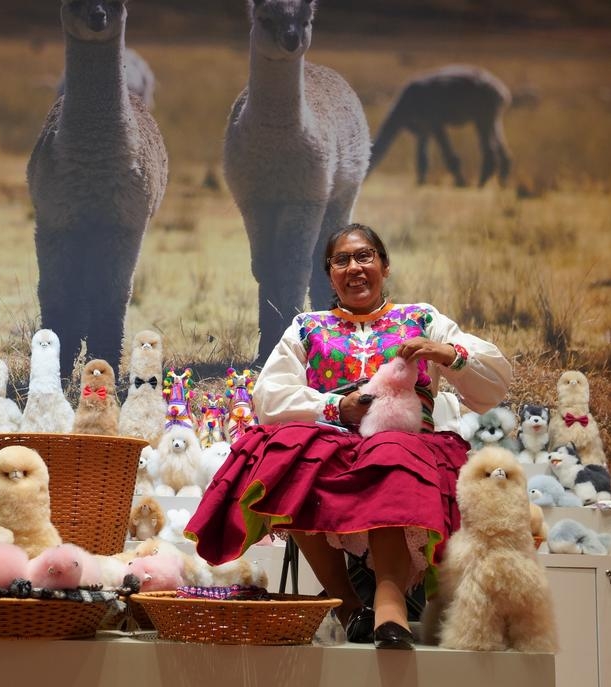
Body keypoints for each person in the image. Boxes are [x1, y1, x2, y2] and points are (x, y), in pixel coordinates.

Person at [185, 223, 511, 650]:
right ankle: (349, 606)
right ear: (329, 274)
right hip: (332, 446)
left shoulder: (422, 318)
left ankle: (390, 609)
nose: (354, 268)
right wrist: (337, 407)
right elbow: (269, 396)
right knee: (287, 452)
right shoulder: (308, 326)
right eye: (342, 260)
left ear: (385, 266)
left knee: (390, 451)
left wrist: (444, 352)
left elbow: (492, 386)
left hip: (405, 450)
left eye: (365, 256)